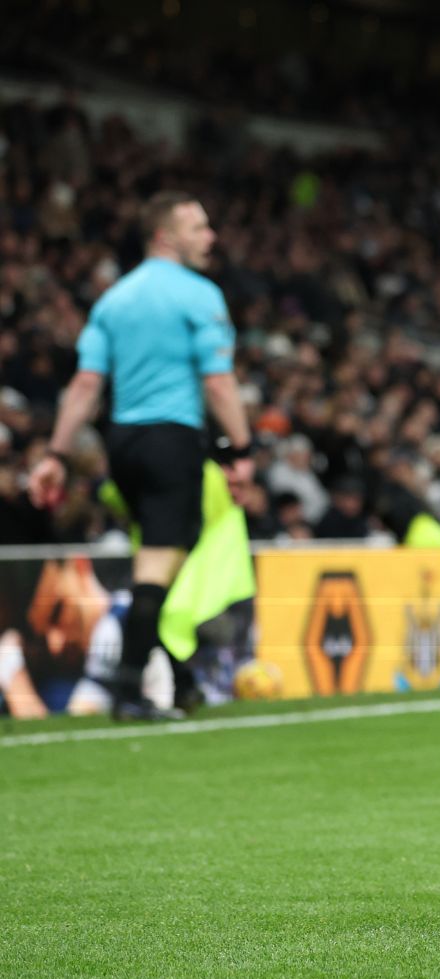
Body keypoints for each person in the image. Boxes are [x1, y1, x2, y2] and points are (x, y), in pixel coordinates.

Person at [27, 191, 254, 721]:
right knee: (157, 567)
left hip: (122, 445)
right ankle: (130, 692)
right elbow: (218, 385)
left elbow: (85, 385)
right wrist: (241, 450)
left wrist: (57, 453)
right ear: (165, 236)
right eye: (198, 228)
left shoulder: (114, 300)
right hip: (171, 440)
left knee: (166, 554)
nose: (210, 237)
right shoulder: (199, 295)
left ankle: (180, 678)